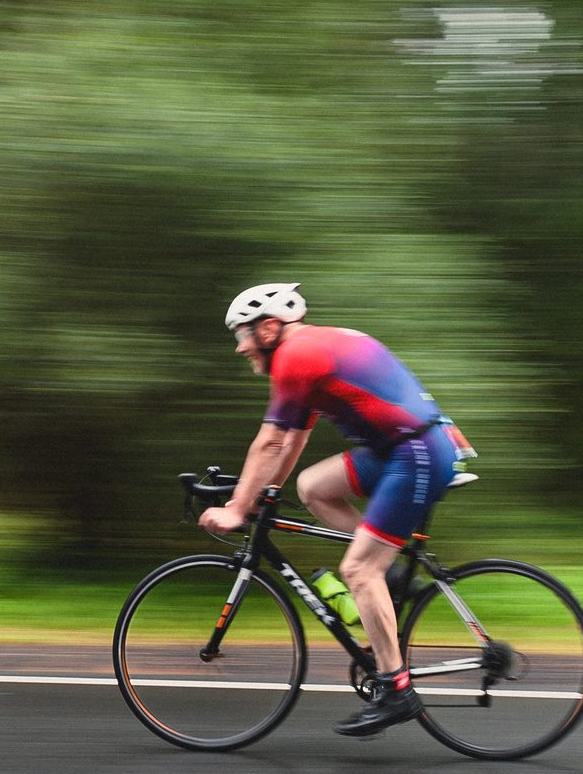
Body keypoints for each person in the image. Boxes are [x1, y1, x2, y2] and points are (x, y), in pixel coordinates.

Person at [199, 282, 466, 737]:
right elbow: (293, 438)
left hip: (416, 452)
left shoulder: (295, 356)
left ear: (269, 327)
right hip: (405, 447)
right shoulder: (310, 348)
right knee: (313, 487)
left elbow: (269, 441)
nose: (241, 348)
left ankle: (397, 690)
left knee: (359, 570)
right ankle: (395, 574)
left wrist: (238, 508)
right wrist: (269, 491)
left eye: (243, 334)